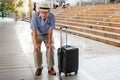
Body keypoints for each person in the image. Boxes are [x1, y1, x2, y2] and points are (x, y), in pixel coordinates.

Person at [30, 1, 56, 76]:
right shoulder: (35, 16)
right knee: (36, 49)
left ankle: (50, 68)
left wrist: (49, 42)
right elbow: (34, 30)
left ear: (49, 12)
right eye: (42, 12)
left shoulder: (52, 16)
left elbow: (50, 30)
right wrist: (35, 43)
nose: (44, 14)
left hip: (47, 34)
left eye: (45, 12)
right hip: (37, 34)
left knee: (50, 48)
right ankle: (38, 67)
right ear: (39, 11)